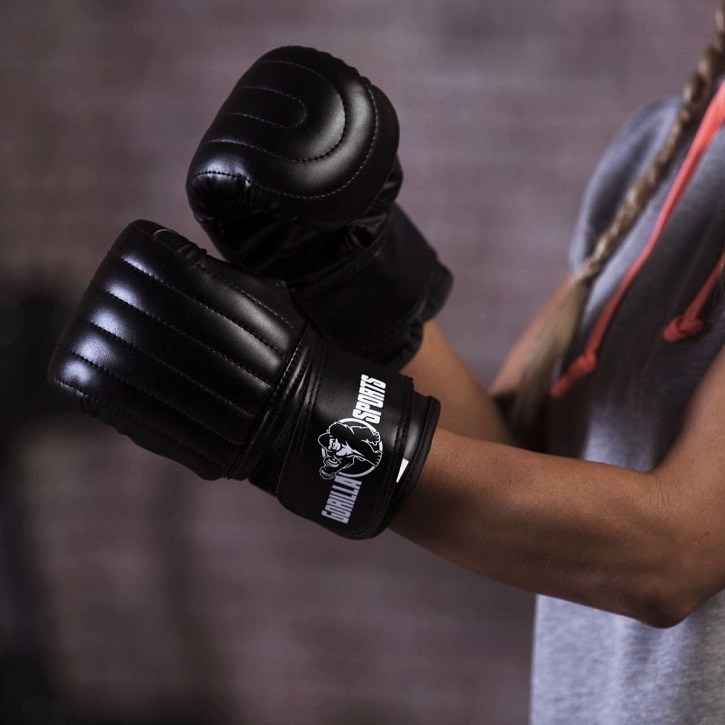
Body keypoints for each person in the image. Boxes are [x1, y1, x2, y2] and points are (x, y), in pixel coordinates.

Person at [48, 5, 725, 722]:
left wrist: (297, 427)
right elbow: (520, 470)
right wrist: (345, 274)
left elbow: (668, 553)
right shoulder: (665, 144)